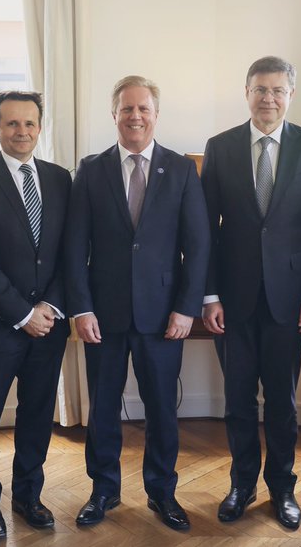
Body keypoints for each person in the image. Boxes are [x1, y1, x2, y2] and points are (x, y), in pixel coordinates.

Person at [64, 76, 209, 531]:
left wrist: (187, 308)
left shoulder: (181, 169)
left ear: (156, 114)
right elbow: (74, 247)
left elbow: (199, 244)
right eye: (126, 109)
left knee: (162, 408)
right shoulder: (91, 169)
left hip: (164, 315)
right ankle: (103, 490)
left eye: (143, 109)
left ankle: (162, 493)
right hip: (102, 317)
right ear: (114, 115)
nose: (135, 116)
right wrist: (81, 308)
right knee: (102, 408)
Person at [199, 56, 301, 529]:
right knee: (237, 401)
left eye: (278, 90)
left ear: (291, 95)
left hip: (290, 301)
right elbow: (205, 232)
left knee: (281, 401)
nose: (269, 98)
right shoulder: (220, 147)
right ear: (246, 92)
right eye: (260, 89)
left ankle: (282, 488)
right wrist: (209, 295)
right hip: (232, 302)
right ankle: (241, 485)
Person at [0, 91, 72, 539]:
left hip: (50, 325)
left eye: (29, 124)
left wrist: (49, 308)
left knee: (37, 414)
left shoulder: (62, 179)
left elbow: (69, 252)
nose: (21, 131)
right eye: (12, 124)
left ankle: (28, 495)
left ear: (40, 127)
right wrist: (22, 313)